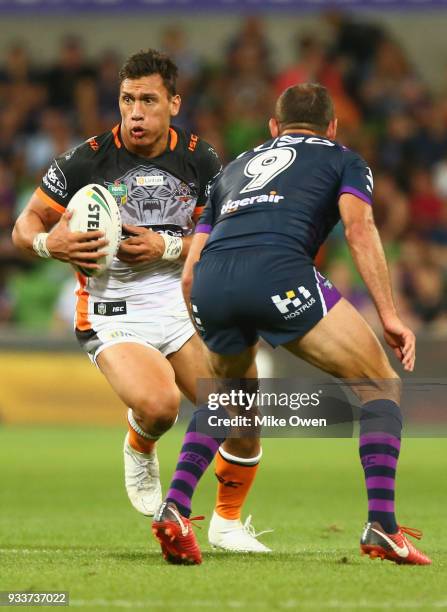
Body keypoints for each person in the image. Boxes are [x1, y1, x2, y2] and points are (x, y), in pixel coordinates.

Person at [152, 83, 431, 566]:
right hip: (278, 270)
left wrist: (203, 317)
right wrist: (389, 314)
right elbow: (359, 228)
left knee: (229, 400)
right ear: (332, 125)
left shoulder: (233, 168)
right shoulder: (344, 158)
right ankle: (382, 526)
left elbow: (192, 264)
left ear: (274, 128)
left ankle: (174, 508)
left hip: (211, 281)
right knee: (379, 384)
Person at [11, 50, 261, 547]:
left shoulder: (200, 158)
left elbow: (228, 238)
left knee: (240, 419)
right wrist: (47, 243)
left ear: (174, 103)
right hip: (112, 312)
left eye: (148, 100)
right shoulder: (87, 158)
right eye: (127, 100)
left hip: (178, 307)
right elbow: (26, 225)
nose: (135, 113)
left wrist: (166, 245)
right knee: (162, 405)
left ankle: (228, 524)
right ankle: (140, 439)